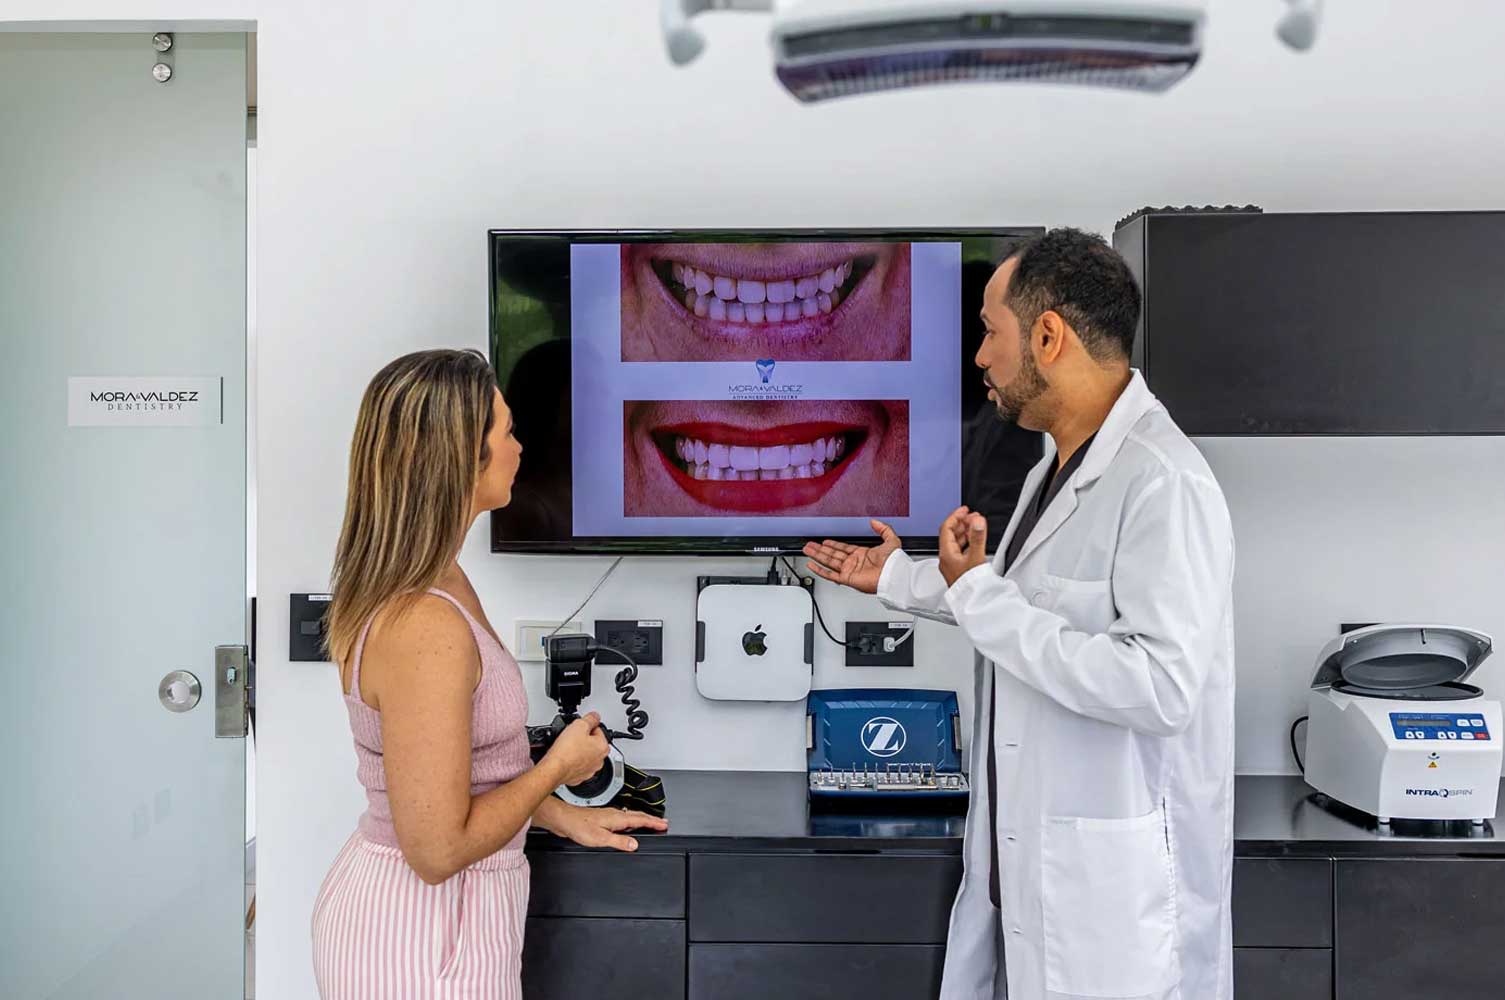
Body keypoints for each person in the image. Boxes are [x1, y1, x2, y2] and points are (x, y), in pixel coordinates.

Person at [803, 229, 1236, 1000]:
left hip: (1113, 907)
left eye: (987, 331)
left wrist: (977, 593)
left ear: (1047, 336)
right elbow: (1027, 606)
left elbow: (1160, 686)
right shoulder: (1059, 466)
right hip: (1033, 879)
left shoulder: (1162, 482)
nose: (979, 357)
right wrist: (901, 578)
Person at [311, 349, 668, 999]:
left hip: (450, 924)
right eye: (507, 430)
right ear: (461, 457)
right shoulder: (423, 623)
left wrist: (557, 815)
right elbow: (436, 851)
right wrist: (556, 768)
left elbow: (464, 781)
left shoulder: (441, 580)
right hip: (417, 939)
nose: (519, 447)